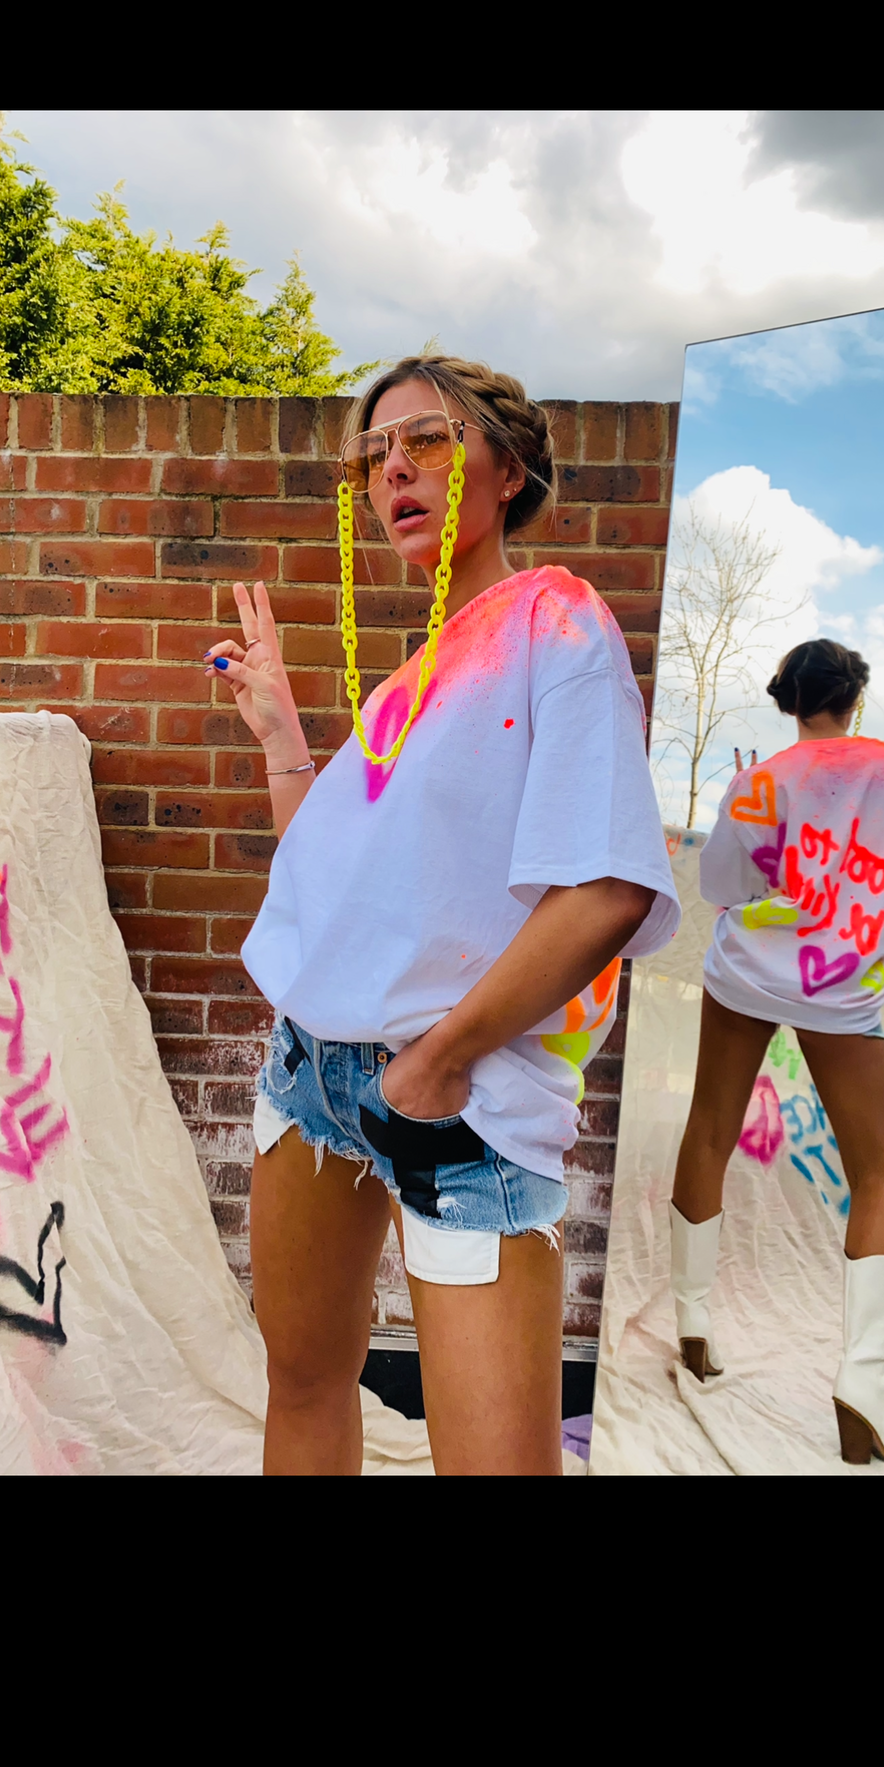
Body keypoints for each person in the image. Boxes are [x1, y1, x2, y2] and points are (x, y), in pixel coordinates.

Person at [204, 355, 679, 1476]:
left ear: (506, 465)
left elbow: (608, 888)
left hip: (463, 1105)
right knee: (307, 1383)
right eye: (375, 455)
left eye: (426, 439)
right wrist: (283, 744)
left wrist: (442, 1057)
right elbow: (335, 896)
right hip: (309, 1072)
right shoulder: (407, 676)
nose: (394, 471)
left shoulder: (556, 622)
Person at [669, 637, 884, 1465]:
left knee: (707, 1131)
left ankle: (692, 1328)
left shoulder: (758, 782)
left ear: (787, 702)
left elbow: (722, 889)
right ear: (854, 700)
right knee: (878, 1174)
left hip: (742, 979)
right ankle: (863, 1385)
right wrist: (868, 942)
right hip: (839, 990)